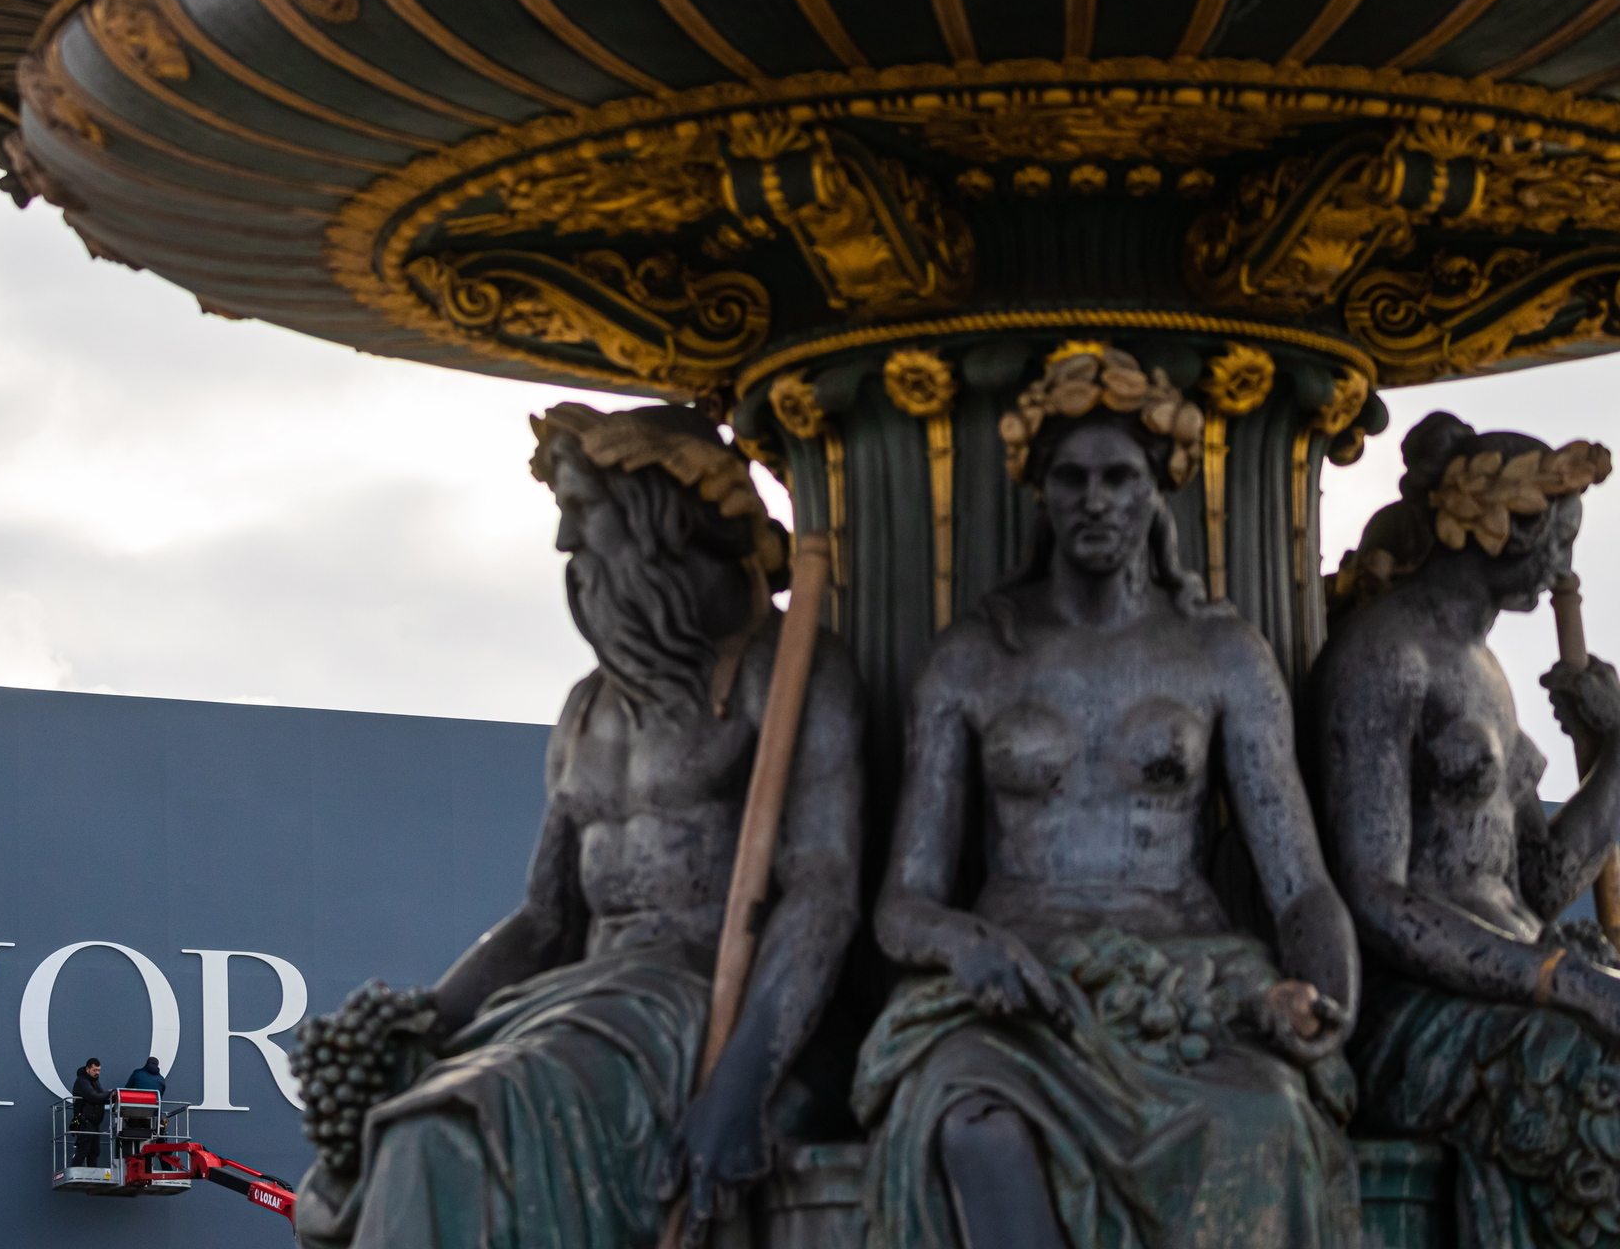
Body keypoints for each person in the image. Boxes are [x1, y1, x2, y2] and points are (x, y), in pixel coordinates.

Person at [294, 402, 864, 1249]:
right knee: (375, 1136)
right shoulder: (586, 709)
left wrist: (741, 1085)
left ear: (662, 522)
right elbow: (546, 920)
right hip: (582, 1006)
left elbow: (822, 892)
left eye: (583, 509)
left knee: (443, 1135)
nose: (566, 542)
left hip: (696, 1009)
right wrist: (421, 1022)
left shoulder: (779, 675)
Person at [856, 345, 1362, 1249]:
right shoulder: (971, 659)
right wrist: (965, 945)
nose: (1095, 500)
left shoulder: (1222, 657)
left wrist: (1326, 1003)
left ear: (1159, 487)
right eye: (1072, 478)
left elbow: (1299, 886)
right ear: (1041, 492)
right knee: (972, 1125)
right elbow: (904, 900)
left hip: (1190, 982)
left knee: (1271, 1119)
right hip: (1022, 987)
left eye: (1120, 477)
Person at [1312, 412, 1620, 1249]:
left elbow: (1540, 884)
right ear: (1494, 523)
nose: (1562, 563)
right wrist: (1563, 983)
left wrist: (1616, 758)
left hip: (1512, 985)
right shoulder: (1387, 656)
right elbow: (1376, 897)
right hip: (1416, 1014)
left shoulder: (1486, 672)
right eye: (1557, 536)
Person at [70, 1058, 106, 1168]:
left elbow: (100, 1096)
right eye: (95, 1070)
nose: (97, 1073)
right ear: (87, 1069)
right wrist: (109, 1094)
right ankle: (75, 1173)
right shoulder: (82, 1082)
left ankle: (92, 1174)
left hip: (94, 1121)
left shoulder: (94, 1081)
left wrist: (109, 1096)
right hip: (85, 1120)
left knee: (94, 1150)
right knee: (83, 1149)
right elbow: (94, 1097)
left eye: (99, 1070)